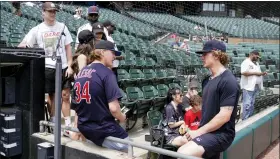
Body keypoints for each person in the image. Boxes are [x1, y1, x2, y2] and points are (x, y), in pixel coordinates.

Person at [177, 40, 240, 159]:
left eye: (205, 54)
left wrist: (198, 132)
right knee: (177, 141)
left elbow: (224, 116)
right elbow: (206, 108)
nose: (202, 57)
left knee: (183, 153)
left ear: (216, 55)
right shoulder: (207, 80)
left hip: (221, 134)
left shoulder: (228, 81)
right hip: (207, 131)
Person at [18, 2, 73, 135]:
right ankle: (54, 122)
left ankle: (66, 125)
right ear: (43, 12)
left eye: (54, 11)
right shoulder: (37, 29)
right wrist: (26, 46)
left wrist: (70, 65)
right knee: (53, 96)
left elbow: (68, 47)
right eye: (50, 11)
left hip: (63, 66)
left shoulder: (63, 27)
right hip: (48, 67)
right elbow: (23, 45)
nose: (53, 13)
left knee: (64, 96)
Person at [72, 40, 128, 151]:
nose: (114, 57)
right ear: (102, 52)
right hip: (103, 128)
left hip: (84, 128)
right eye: (112, 53)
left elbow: (76, 106)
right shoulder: (107, 73)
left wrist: (77, 127)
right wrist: (123, 118)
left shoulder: (81, 72)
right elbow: (114, 109)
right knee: (128, 145)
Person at [70, 30, 95, 141]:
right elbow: (82, 76)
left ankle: (82, 145)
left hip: (83, 91)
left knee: (82, 124)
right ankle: (74, 145)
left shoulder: (84, 55)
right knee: (78, 123)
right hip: (82, 92)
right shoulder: (82, 57)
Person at [240, 50, 267, 120]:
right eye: (256, 56)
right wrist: (256, 73)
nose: (257, 58)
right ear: (252, 54)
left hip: (255, 86)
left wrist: (262, 74)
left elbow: (258, 73)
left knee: (252, 103)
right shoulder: (246, 62)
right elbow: (243, 73)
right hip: (248, 87)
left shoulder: (256, 63)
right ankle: (245, 120)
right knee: (247, 104)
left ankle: (250, 119)